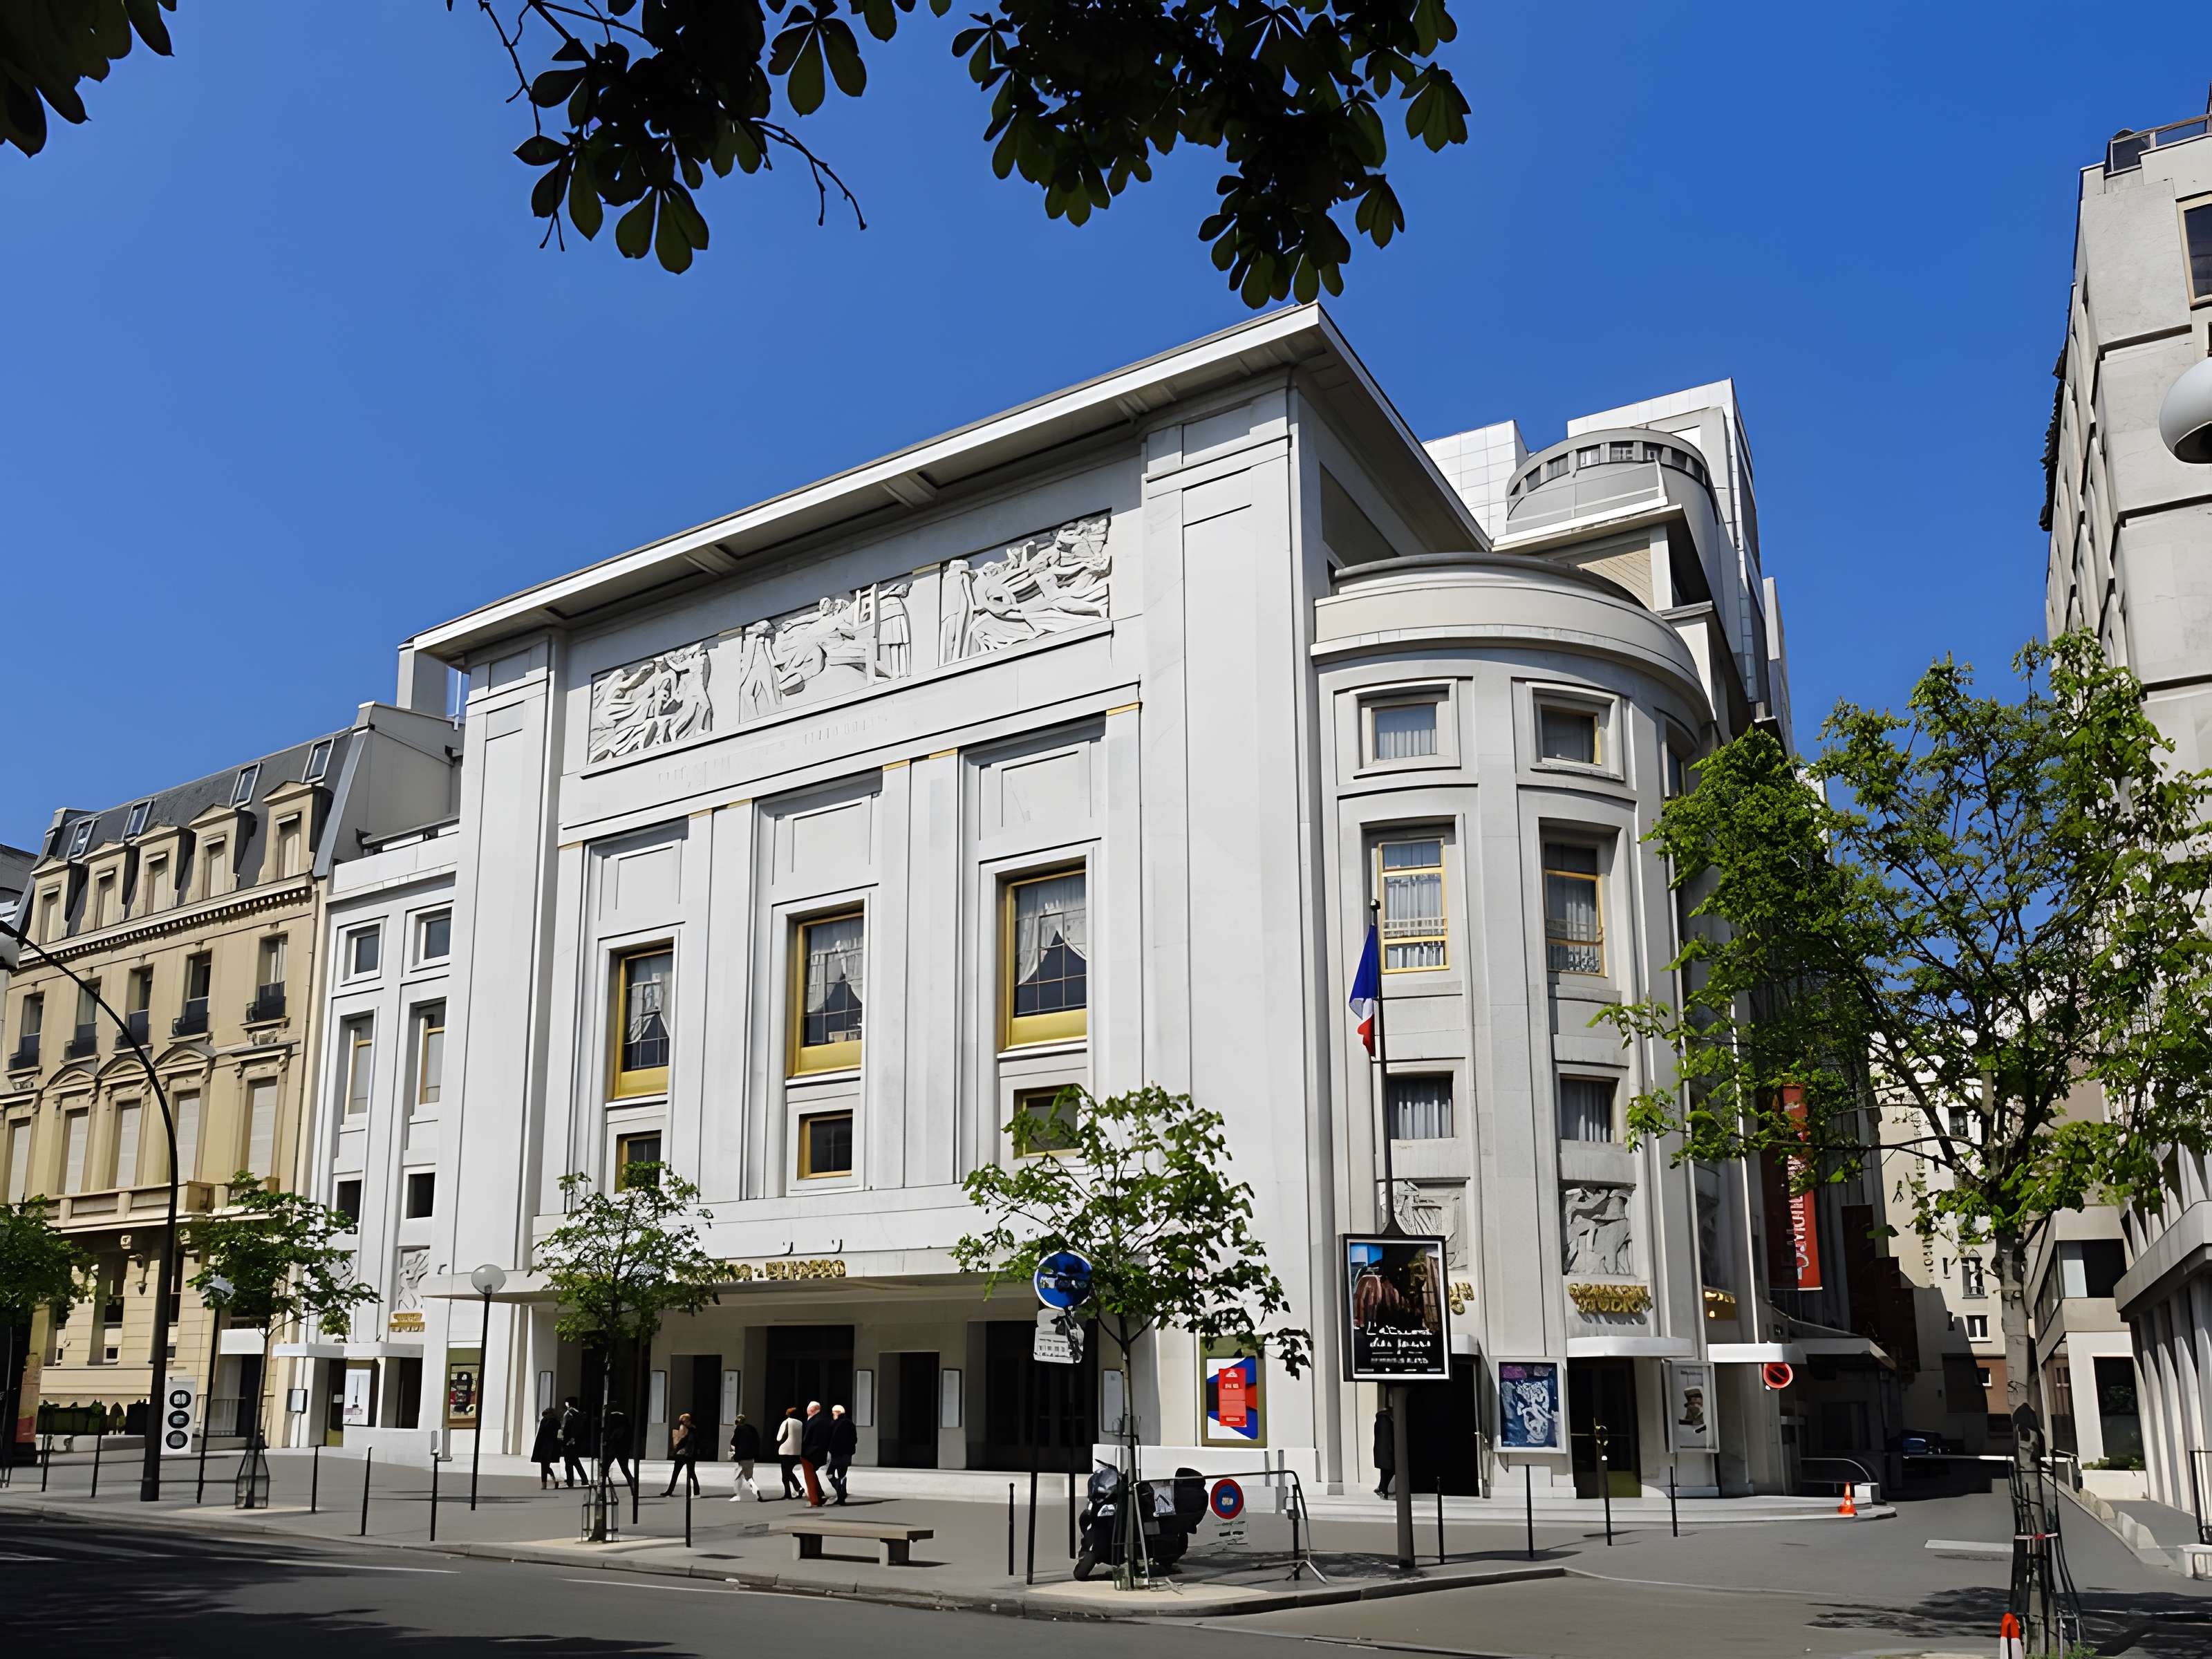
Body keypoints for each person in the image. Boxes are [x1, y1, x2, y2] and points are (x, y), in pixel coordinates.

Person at [799, 1399, 831, 1506]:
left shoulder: (812, 1421)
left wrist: (801, 1449)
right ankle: (820, 1495)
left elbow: (806, 1438)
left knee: (809, 1476)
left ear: (812, 1409)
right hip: (821, 1451)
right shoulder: (825, 1420)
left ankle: (815, 1500)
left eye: (808, 1409)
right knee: (813, 1474)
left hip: (809, 1452)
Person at [825, 1403, 858, 1505]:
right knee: (842, 1474)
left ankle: (840, 1492)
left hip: (837, 1454)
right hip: (848, 1454)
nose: (833, 1415)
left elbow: (831, 1439)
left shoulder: (835, 1424)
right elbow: (855, 1439)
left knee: (829, 1473)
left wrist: (830, 1450)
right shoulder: (851, 1424)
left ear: (838, 1413)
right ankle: (842, 1495)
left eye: (833, 1413)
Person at [663, 1412, 700, 1497]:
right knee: (675, 1473)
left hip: (690, 1456)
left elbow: (694, 1444)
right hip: (682, 1455)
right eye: (682, 1421)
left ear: (689, 1421)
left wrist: (691, 1453)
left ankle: (697, 1492)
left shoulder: (693, 1431)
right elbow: (683, 1441)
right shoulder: (688, 1430)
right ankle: (669, 1491)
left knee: (691, 1473)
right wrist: (676, 1449)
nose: (683, 1423)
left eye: (684, 1421)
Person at [728, 1413, 762, 1501]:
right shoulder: (752, 1429)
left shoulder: (738, 1429)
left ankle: (737, 1495)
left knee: (737, 1476)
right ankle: (756, 1489)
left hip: (742, 1456)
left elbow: (733, 1442)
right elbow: (757, 1441)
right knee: (749, 1477)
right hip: (751, 1456)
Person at [604, 1404, 637, 1492]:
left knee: (605, 1468)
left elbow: (608, 1432)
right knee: (625, 1469)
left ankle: (602, 1489)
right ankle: (632, 1484)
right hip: (624, 1447)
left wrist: (607, 1442)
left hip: (613, 1446)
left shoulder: (610, 1417)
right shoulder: (625, 1417)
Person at [559, 1397, 589, 1490]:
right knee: (575, 1461)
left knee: (569, 1462)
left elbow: (571, 1427)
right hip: (572, 1440)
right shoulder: (575, 1413)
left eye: (567, 1403)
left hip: (569, 1441)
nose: (565, 1404)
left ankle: (570, 1480)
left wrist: (570, 1439)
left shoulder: (571, 1413)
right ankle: (583, 1479)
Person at [775, 1405, 805, 1499]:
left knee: (786, 1473)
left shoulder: (786, 1422)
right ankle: (789, 1492)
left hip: (785, 1450)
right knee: (789, 1471)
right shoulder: (800, 1423)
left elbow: (779, 1437)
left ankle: (797, 1488)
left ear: (788, 1414)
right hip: (797, 1451)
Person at [531, 1405, 563, 1489]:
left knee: (545, 1465)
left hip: (551, 1446)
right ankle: (546, 1482)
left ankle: (546, 1482)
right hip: (543, 1446)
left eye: (548, 1413)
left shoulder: (556, 1422)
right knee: (544, 1465)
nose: (546, 1415)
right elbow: (540, 1434)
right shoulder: (544, 1421)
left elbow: (557, 1435)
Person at [1373, 1403, 1396, 1499]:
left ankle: (1382, 1488)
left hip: (1381, 1453)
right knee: (1389, 1472)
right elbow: (1388, 1439)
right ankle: (1383, 1489)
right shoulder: (1386, 1422)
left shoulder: (1379, 1421)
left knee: (1385, 1472)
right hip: (1388, 1452)